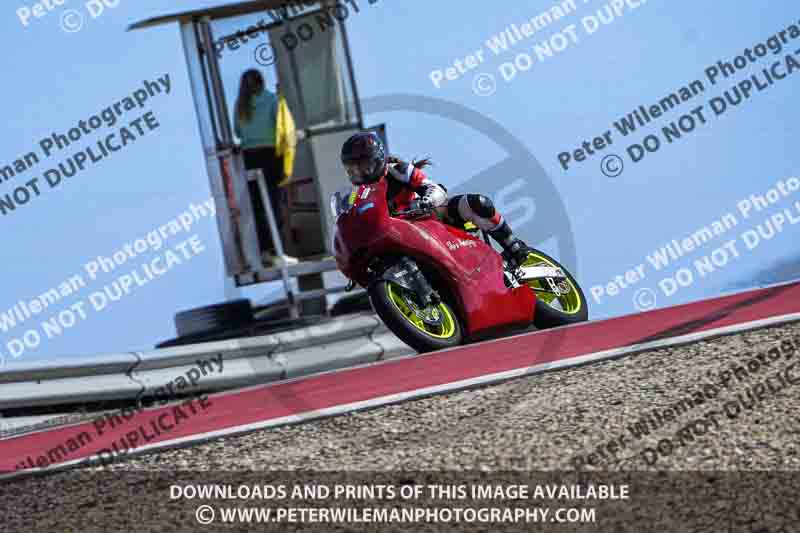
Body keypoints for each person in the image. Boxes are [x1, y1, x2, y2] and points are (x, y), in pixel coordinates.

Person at [340, 132, 534, 266]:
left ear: (377, 158)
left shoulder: (397, 170)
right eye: (353, 169)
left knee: (475, 203)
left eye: (363, 165)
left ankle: (513, 245)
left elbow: (433, 188)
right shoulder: (359, 195)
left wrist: (426, 201)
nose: (359, 172)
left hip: (433, 220)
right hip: (405, 239)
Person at [233, 68, 298, 267]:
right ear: (262, 82)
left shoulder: (240, 104)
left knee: (257, 206)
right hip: (270, 155)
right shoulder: (273, 99)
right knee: (274, 202)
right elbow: (282, 128)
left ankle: (263, 252)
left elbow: (237, 130)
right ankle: (277, 252)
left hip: (248, 156)